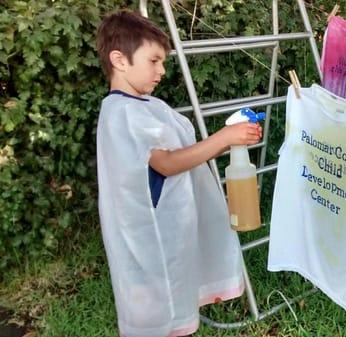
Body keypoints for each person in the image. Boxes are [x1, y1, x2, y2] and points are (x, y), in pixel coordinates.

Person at [95, 9, 262, 337]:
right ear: (119, 59)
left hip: (168, 221)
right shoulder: (124, 113)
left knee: (173, 292)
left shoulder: (143, 105)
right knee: (159, 305)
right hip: (150, 231)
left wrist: (225, 141)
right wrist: (223, 140)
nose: (161, 71)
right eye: (153, 61)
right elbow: (166, 163)